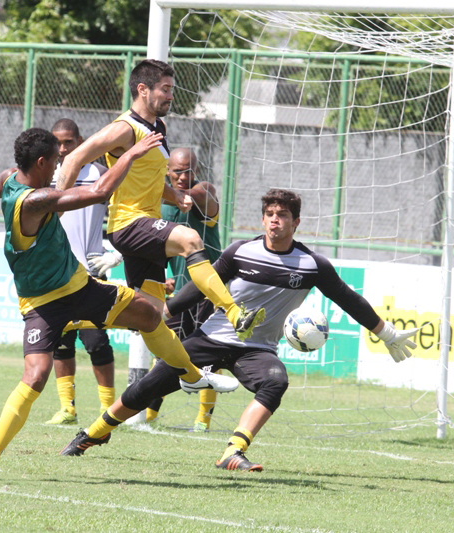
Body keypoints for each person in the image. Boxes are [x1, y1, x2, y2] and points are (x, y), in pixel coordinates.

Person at [0, 128, 239, 481]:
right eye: (57, 162)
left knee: (149, 315)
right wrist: (131, 155)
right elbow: (99, 192)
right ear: (42, 163)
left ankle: (191, 376)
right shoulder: (35, 199)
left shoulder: (9, 178)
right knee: (35, 376)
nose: (60, 168)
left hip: (80, 287)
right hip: (42, 305)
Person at [60, 188, 419, 471]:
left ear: (296, 222)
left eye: (283, 215)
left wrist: (386, 333)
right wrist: (163, 313)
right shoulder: (241, 252)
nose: (275, 220)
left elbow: (347, 299)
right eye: (270, 214)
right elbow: (201, 285)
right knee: (149, 386)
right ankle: (94, 433)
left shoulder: (312, 265)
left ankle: (233, 451)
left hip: (257, 350)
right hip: (211, 338)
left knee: (276, 381)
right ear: (262, 219)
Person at [55, 59, 264, 342]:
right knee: (191, 239)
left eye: (171, 89)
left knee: (153, 317)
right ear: (143, 90)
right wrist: (56, 209)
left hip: (145, 224)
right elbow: (73, 159)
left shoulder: (158, 127)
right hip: (128, 223)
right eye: (165, 89)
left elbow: (149, 178)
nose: (171, 95)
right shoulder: (124, 129)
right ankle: (235, 313)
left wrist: (174, 195)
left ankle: (76, 319)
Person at [44, 118, 123, 425]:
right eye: (58, 142)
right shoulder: (47, 177)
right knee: (61, 343)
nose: (63, 148)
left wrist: (116, 253)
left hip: (91, 271)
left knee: (96, 343)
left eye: (69, 142)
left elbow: (124, 212)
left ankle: (109, 409)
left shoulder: (99, 174)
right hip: (56, 273)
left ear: (80, 141)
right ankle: (68, 408)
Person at [146, 147, 222, 431]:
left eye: (188, 171)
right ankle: (148, 416)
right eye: (177, 171)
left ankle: (203, 420)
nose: (182, 176)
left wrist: (173, 192)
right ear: (168, 170)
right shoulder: (162, 206)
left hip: (209, 292)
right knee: (164, 352)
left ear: (196, 171)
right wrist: (164, 278)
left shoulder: (202, 195)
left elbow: (205, 192)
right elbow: (158, 248)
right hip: (180, 295)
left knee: (210, 356)